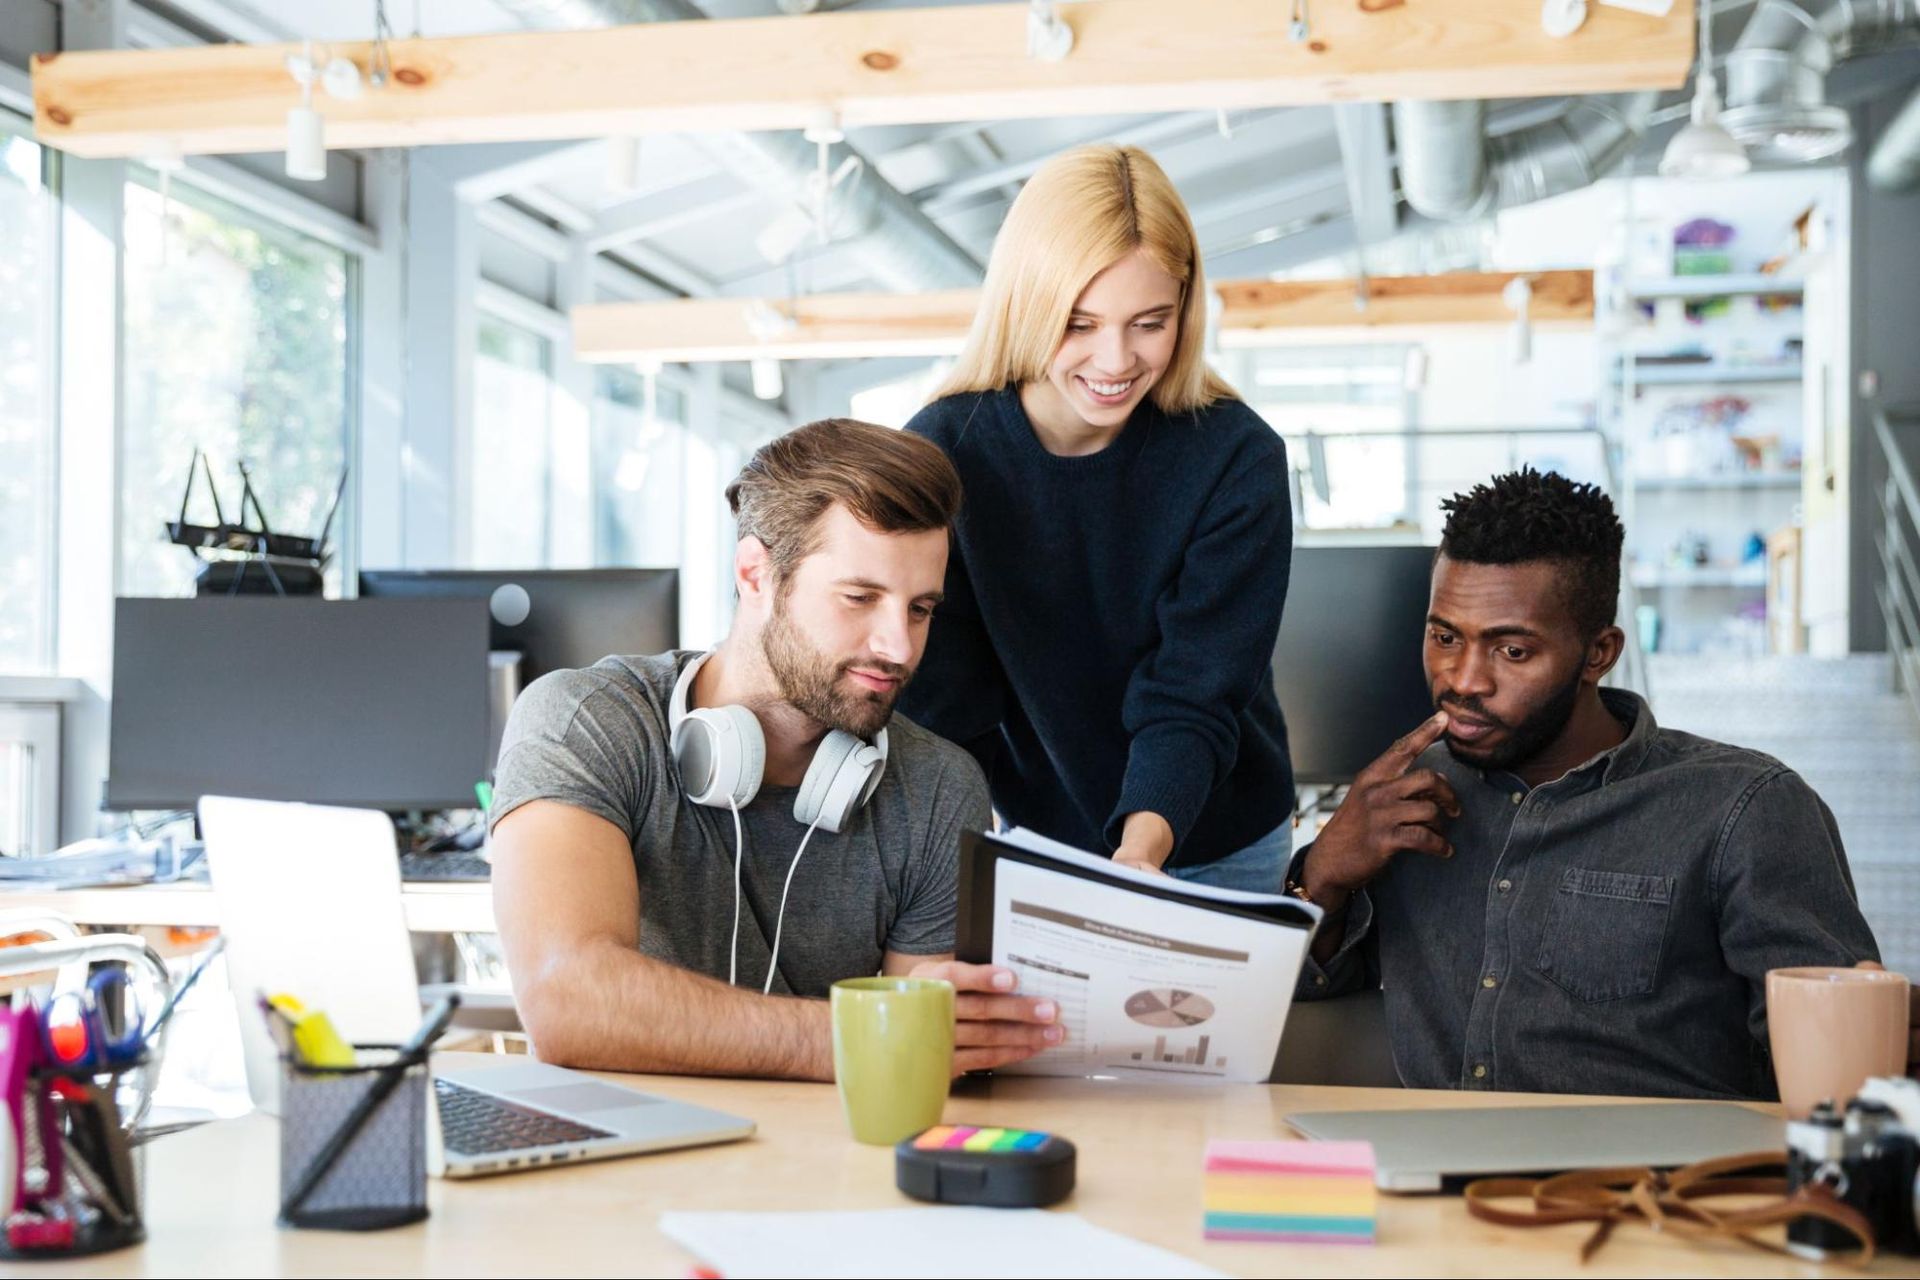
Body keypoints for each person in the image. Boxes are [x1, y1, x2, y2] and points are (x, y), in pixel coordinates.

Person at [487, 419, 1061, 1080]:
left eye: (920, 609)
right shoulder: (586, 720)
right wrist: (853, 1037)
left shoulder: (938, 787)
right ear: (755, 573)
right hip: (622, 1164)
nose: (899, 648)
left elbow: (923, 1059)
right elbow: (566, 1001)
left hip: (824, 1167)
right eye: (860, 598)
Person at [1292, 468, 1889, 1099]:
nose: (1464, 679)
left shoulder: (1743, 809)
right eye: (1445, 637)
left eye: (1511, 651)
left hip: (1652, 1186)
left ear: (1599, 653)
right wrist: (1324, 873)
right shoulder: (1401, 798)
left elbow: (1843, 1073)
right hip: (1425, 1178)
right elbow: (1300, 999)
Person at [899, 144, 1294, 891]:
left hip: (1220, 839)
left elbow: (1193, 693)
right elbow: (945, 708)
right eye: (1078, 324)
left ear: (1185, 306)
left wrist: (1140, 860)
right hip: (1036, 841)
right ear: (1026, 306)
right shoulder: (944, 455)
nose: (1114, 361)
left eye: (1150, 322)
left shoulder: (1236, 457)